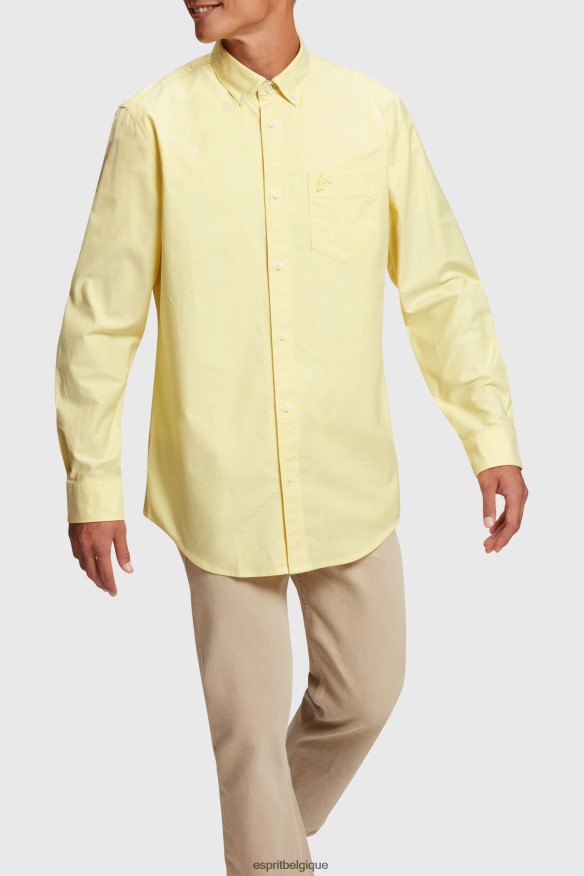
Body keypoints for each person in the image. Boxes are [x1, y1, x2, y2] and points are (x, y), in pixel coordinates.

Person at [54, 0, 529, 872]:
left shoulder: (373, 114)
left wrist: (489, 436)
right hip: (216, 484)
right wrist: (93, 482)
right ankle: (267, 850)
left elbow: (440, 289)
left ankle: (265, 835)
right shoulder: (152, 123)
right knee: (246, 736)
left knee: (367, 694)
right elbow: (101, 319)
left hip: (348, 477)